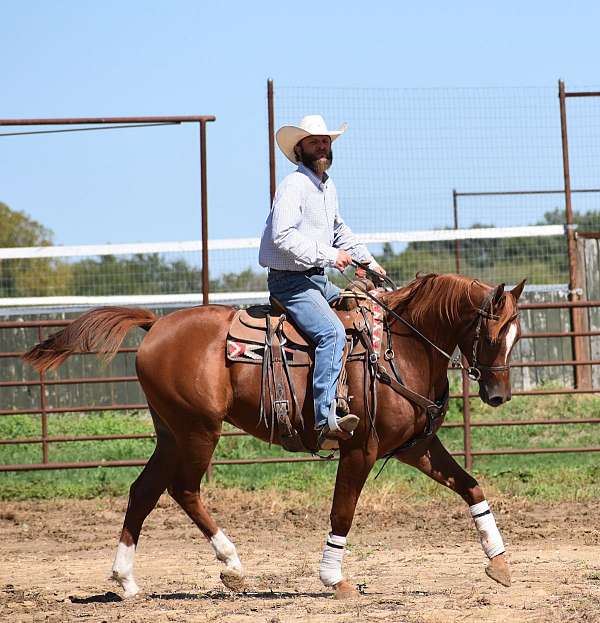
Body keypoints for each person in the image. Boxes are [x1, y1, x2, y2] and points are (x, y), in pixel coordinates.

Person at [259, 115, 387, 449]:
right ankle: (324, 417)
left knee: (363, 310)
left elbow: (340, 231)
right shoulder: (293, 186)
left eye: (326, 141)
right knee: (331, 332)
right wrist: (330, 256)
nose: (322, 146)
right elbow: (282, 235)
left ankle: (356, 397)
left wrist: (369, 263)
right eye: (314, 141)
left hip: (316, 281)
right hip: (292, 283)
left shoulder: (326, 186)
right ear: (299, 148)